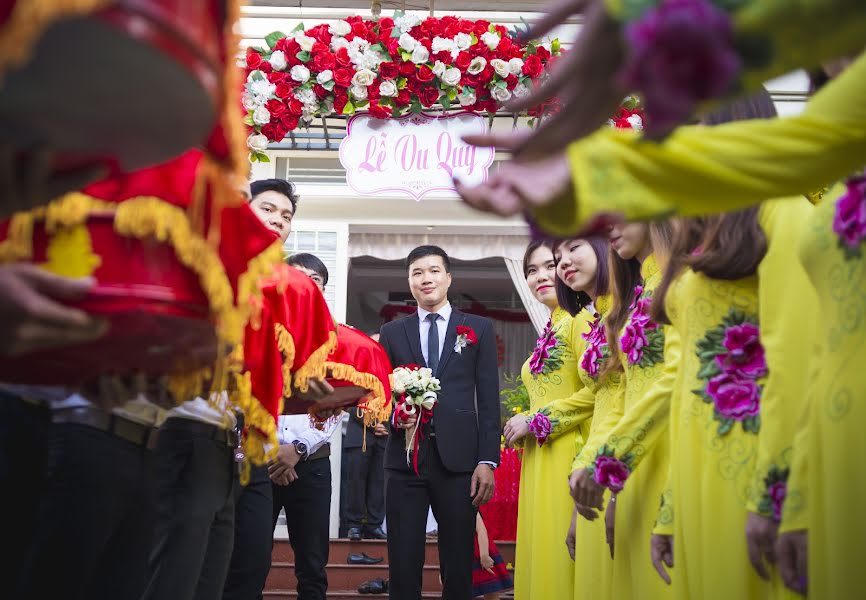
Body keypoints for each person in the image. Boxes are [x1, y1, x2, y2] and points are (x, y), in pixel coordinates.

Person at [378, 245, 500, 600]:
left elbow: (489, 399)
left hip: (459, 461)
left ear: (448, 277)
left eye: (433, 271)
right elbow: (381, 394)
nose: (425, 278)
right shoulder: (392, 332)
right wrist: (394, 415)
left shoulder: (476, 327)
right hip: (404, 462)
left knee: (459, 562)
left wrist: (487, 460)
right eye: (417, 273)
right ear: (409, 282)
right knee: (402, 560)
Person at [568, 221, 676, 600]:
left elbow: (675, 381)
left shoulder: (679, 279)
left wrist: (607, 462)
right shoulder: (634, 297)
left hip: (670, 455)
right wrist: (601, 465)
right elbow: (619, 396)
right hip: (629, 464)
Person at [501, 238, 604, 599]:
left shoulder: (582, 320)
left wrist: (537, 420)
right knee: (541, 553)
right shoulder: (552, 327)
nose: (541, 275)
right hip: (542, 458)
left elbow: (599, 391)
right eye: (531, 270)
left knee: (561, 561)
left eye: (550, 265)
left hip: (569, 455)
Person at [472, 512, 513, 600]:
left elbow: (481, 530)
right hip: (462, 552)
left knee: (491, 588)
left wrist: (484, 556)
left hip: (480, 549)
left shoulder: (470, 506)